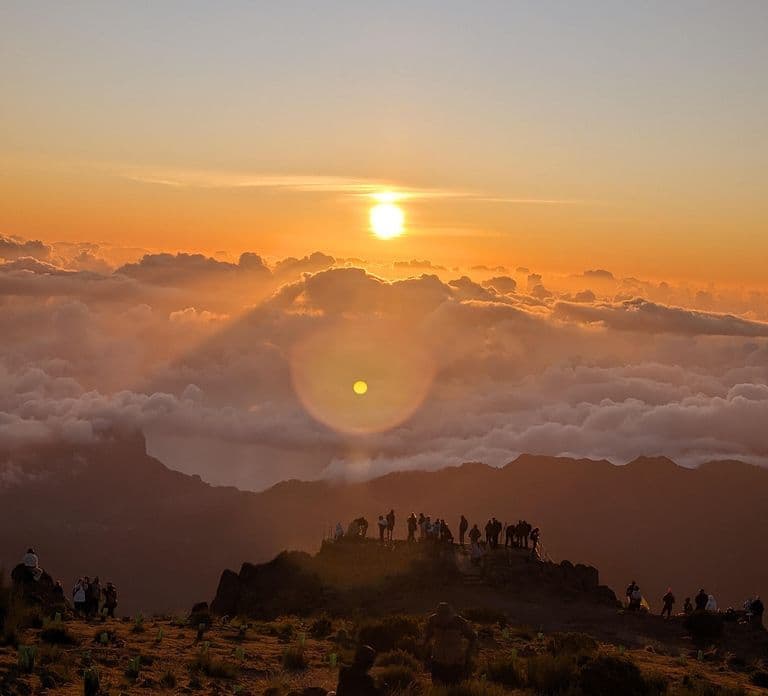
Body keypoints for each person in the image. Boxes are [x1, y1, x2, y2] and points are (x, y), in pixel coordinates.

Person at [424, 602, 477, 685]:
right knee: (437, 689)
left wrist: (468, 655)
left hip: (455, 663)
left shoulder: (460, 622)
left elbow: (473, 637)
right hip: (437, 662)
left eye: (445, 617)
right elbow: (427, 637)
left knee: (454, 689)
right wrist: (427, 655)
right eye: (440, 617)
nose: (443, 620)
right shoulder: (433, 620)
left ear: (451, 615)